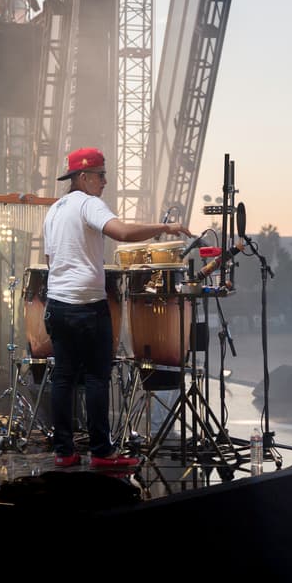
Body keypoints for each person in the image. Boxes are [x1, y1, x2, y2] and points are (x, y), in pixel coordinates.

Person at [43, 147, 191, 468]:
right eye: (100, 175)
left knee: (63, 378)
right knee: (97, 377)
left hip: (56, 305)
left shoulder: (54, 210)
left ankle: (64, 452)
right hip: (86, 306)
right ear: (83, 177)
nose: (105, 181)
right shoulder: (89, 204)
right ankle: (101, 453)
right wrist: (164, 228)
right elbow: (121, 233)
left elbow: (50, 261)